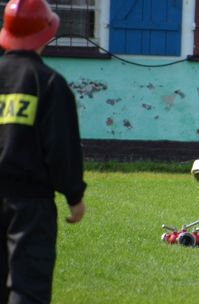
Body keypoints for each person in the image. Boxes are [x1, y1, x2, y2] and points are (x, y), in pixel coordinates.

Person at [0, 0, 87, 302]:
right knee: (27, 288)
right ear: (47, 33)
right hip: (30, 206)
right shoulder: (49, 83)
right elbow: (62, 148)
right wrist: (74, 196)